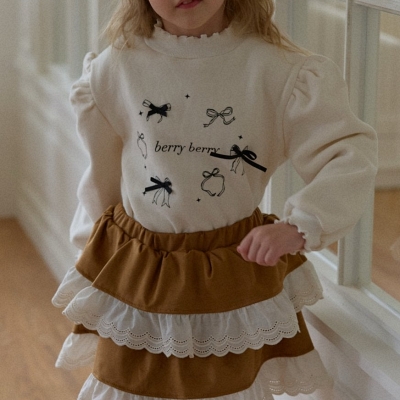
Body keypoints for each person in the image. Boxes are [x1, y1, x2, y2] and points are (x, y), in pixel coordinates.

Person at [52, 0, 378, 399]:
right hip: (142, 274)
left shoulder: (276, 70)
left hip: (229, 273)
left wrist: (302, 223)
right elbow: (102, 178)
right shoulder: (116, 68)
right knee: (130, 383)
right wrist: (96, 253)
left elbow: (347, 155)